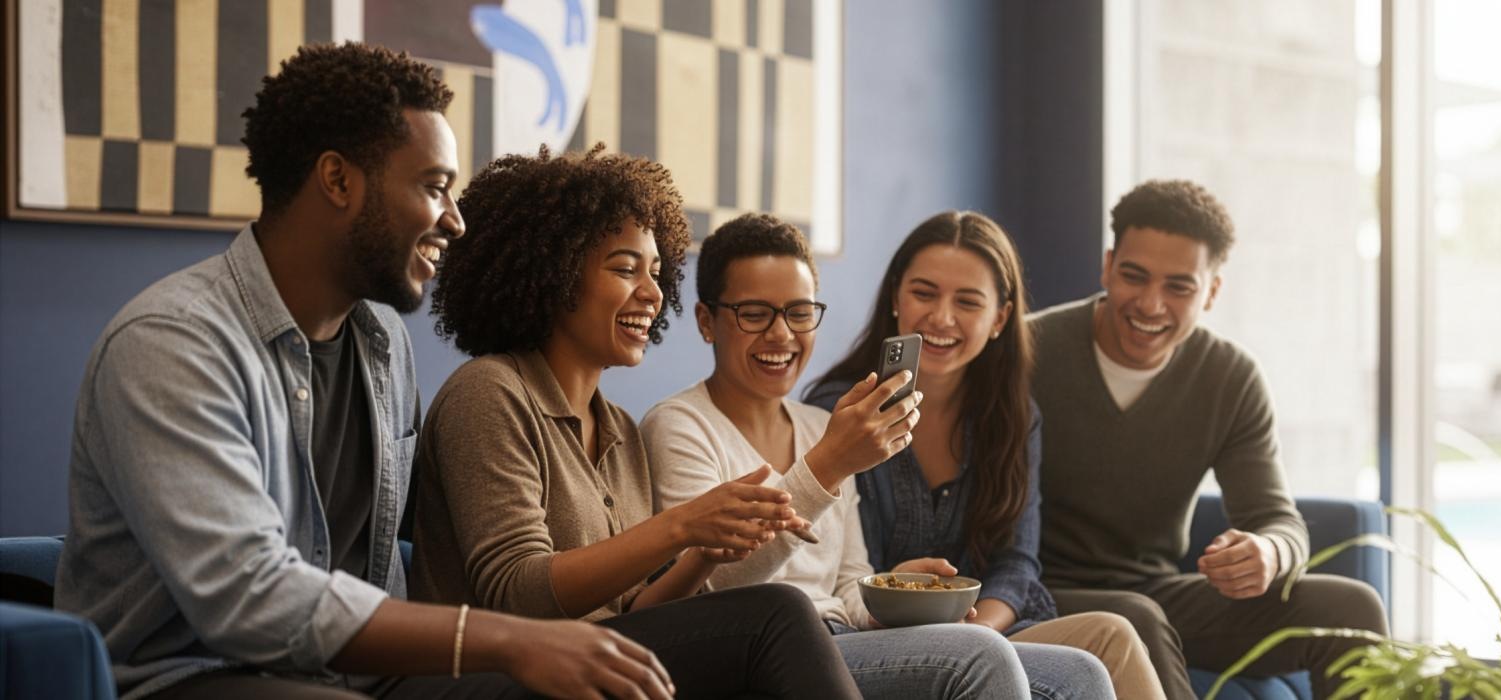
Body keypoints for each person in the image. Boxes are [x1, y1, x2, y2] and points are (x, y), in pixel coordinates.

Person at [57, 43, 678, 699]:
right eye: (435, 187)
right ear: (338, 180)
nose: (456, 221)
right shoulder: (172, 344)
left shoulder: (382, 342)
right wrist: (507, 637)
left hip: (363, 682)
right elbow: (248, 596)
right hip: (193, 678)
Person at [407, 144, 861, 699]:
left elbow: (635, 612)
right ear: (554, 273)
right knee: (778, 614)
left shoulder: (620, 429)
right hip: (495, 674)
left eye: (655, 271)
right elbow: (515, 595)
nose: (652, 293)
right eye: (625, 269)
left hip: (597, 663)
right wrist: (682, 524)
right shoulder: (489, 393)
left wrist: (705, 555)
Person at [642, 214, 1072, 699]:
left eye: (799, 313)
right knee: (980, 656)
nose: (781, 335)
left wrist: (890, 593)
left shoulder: (819, 425)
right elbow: (711, 587)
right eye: (755, 313)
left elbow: (847, 587)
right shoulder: (681, 426)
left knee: (1079, 674)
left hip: (842, 636)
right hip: (768, 650)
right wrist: (827, 465)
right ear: (707, 322)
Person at [1028, 180, 1389, 698]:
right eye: (1134, 276)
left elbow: (1278, 520)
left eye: (1179, 287)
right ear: (1108, 266)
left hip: (1157, 592)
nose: (1151, 304)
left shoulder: (1229, 376)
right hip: (1039, 592)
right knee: (1134, 616)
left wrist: (1269, 552)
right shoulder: (1029, 352)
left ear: (1212, 291)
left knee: (1352, 608)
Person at [804, 211, 1166, 699]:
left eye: (968, 301)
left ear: (998, 318)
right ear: (895, 297)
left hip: (982, 634)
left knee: (1114, 632)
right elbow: (835, 575)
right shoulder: (836, 412)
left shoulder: (1013, 418)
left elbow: (1016, 563)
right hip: (873, 638)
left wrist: (982, 631)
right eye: (924, 293)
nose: (941, 317)